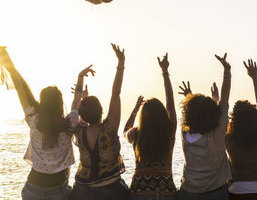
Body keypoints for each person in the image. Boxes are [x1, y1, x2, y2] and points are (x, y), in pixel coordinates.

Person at [0, 46, 94, 200]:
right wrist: (80, 76)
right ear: (60, 104)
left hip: (32, 189)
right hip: (58, 191)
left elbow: (20, 87)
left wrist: (6, 61)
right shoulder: (69, 124)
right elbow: (76, 100)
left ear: (42, 103)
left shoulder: (34, 120)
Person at [70, 43, 129, 200]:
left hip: (82, 191)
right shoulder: (109, 129)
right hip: (110, 191)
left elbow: (75, 105)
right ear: (101, 110)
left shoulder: (79, 130)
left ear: (82, 114)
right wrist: (121, 64)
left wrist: (80, 77)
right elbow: (116, 93)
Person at [178, 53, 232, 200]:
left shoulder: (184, 133)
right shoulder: (217, 133)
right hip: (216, 193)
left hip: (188, 192)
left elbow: (197, 112)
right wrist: (227, 71)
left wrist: (189, 96)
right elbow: (225, 99)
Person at [123, 53, 177, 200]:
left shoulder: (136, 135)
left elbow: (125, 130)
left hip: (138, 192)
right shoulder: (169, 132)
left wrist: (135, 110)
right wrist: (165, 72)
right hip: (166, 193)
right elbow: (170, 102)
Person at [225, 59, 257, 200]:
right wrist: (255, 78)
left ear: (233, 121)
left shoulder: (230, 140)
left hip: (239, 193)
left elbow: (222, 111)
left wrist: (217, 97)